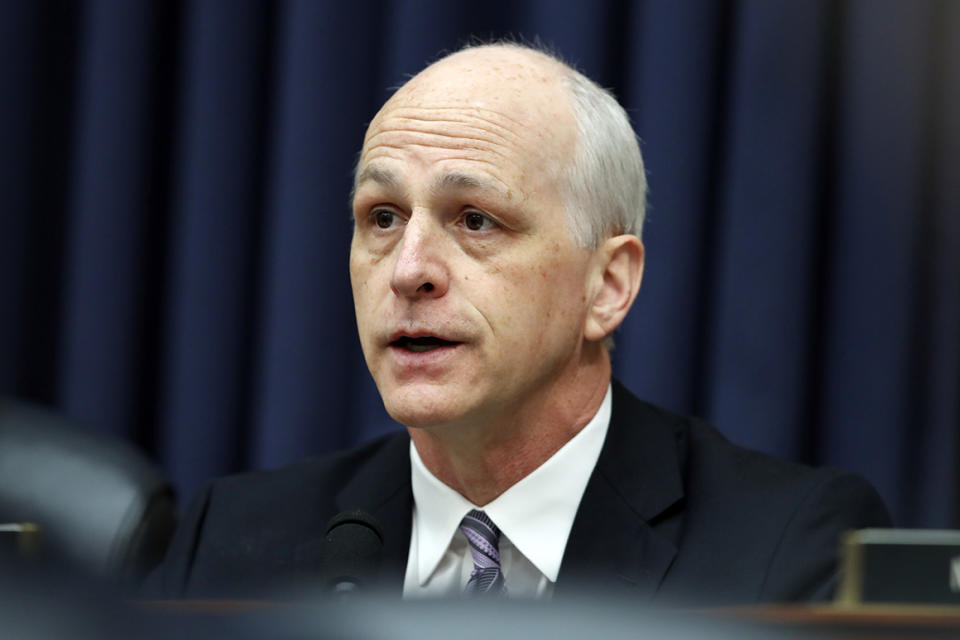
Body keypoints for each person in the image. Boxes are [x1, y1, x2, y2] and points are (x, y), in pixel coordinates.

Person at [150, 43, 890, 604]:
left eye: (475, 219)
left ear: (608, 284)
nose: (409, 271)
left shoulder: (791, 552)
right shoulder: (230, 544)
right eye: (382, 218)